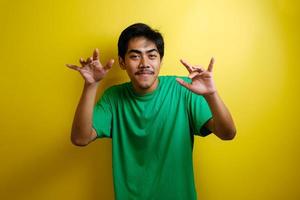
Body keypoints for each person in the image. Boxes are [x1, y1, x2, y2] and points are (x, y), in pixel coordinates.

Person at [66, 23, 236, 200]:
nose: (144, 64)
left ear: (160, 61)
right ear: (122, 62)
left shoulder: (183, 89)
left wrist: (211, 95)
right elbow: (80, 138)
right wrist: (91, 86)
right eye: (135, 56)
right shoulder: (113, 97)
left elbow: (228, 133)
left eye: (152, 56)